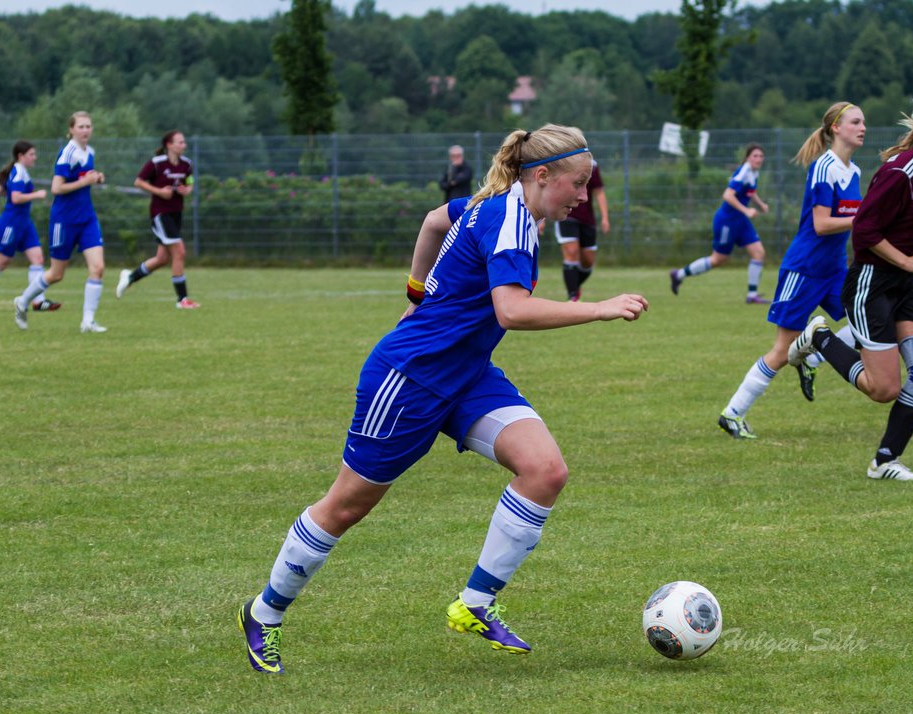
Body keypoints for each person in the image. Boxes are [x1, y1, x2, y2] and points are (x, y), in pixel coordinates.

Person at [237, 124, 649, 674]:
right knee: (347, 506)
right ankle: (263, 613)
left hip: (467, 375)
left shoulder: (499, 203)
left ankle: (474, 604)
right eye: (577, 183)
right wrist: (598, 308)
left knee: (545, 470)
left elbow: (434, 221)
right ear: (543, 175)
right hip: (410, 379)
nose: (582, 195)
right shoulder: (511, 221)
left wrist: (415, 293)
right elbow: (512, 311)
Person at [788, 91, 913, 481]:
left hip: (905, 283)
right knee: (883, 389)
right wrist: (906, 260)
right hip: (871, 282)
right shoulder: (899, 171)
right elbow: (865, 231)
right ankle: (819, 339)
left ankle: (885, 460)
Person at [717, 103, 866, 439]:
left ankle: (814, 359)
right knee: (783, 351)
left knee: (868, 316)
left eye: (864, 122)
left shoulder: (854, 171)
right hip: (804, 269)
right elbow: (823, 223)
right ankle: (732, 413)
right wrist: (863, 219)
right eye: (856, 122)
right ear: (836, 128)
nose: (863, 128)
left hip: (833, 269)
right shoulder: (824, 167)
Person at [13, 111, 108, 333]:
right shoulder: (68, 153)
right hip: (64, 221)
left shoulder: (89, 152)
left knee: (98, 267)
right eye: (81, 127)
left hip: (87, 219)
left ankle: (88, 322)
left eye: (88, 126)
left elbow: (85, 177)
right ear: (71, 130)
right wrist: (86, 181)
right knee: (56, 274)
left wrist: (96, 178)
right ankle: (23, 301)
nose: (85, 130)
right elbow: (57, 188)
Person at [670, 143, 771, 304]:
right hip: (727, 222)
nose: (758, 159)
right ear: (747, 158)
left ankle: (752, 295)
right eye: (755, 156)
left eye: (760, 156)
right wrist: (746, 211)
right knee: (717, 259)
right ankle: (678, 275)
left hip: (741, 222)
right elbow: (728, 195)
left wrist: (760, 204)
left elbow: (751, 191)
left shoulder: (754, 172)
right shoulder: (744, 171)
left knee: (759, 253)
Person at [0, 140, 60, 314]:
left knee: (38, 259)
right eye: (31, 154)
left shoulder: (19, 171)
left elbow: (1, 191)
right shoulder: (18, 172)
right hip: (12, 223)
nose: (35, 158)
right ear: (21, 156)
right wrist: (36, 194)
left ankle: (38, 301)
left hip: (24, 222)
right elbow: (16, 198)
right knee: (2, 262)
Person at [116, 130, 198, 309]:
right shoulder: (156, 163)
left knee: (162, 258)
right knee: (180, 252)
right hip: (161, 214)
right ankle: (182, 299)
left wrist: (187, 189)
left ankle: (130, 277)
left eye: (184, 142)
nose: (183, 145)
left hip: (177, 212)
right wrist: (159, 191)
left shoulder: (187, 164)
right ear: (169, 145)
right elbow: (138, 182)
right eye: (180, 142)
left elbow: (190, 182)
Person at [549, 157, 610, 302]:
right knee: (571, 252)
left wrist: (605, 217)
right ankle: (572, 296)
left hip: (587, 219)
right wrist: (542, 217)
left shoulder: (592, 165)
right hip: (565, 215)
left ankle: (574, 287)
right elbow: (548, 190)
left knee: (588, 261)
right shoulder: (560, 163)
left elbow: (599, 192)